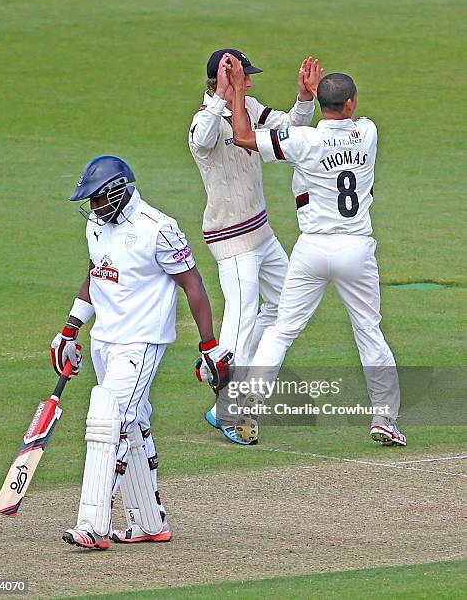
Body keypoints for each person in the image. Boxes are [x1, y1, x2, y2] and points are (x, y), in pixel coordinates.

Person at [51, 155, 232, 550]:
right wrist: (70, 329)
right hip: (105, 341)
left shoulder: (158, 228)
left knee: (108, 420)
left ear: (118, 192)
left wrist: (209, 345)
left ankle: (93, 524)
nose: (93, 208)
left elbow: (193, 285)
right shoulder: (96, 225)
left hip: (141, 341)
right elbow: (95, 273)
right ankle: (148, 522)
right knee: (132, 422)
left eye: (98, 199)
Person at [226, 56, 406, 447]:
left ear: (322, 103)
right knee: (369, 332)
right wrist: (313, 95)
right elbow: (344, 128)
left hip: (310, 249)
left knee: (282, 330)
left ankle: (248, 406)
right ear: (352, 104)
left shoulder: (302, 141)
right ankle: (384, 419)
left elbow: (242, 137)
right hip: (356, 249)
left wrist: (240, 88)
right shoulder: (368, 133)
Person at [189, 48, 321, 444]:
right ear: (223, 80)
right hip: (230, 238)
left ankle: (226, 375)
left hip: (262, 233)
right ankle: (228, 405)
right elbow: (201, 140)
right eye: (244, 76)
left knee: (284, 305)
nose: (250, 82)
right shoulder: (204, 120)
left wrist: (305, 98)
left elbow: (290, 129)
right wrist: (221, 97)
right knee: (242, 314)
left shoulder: (251, 106)